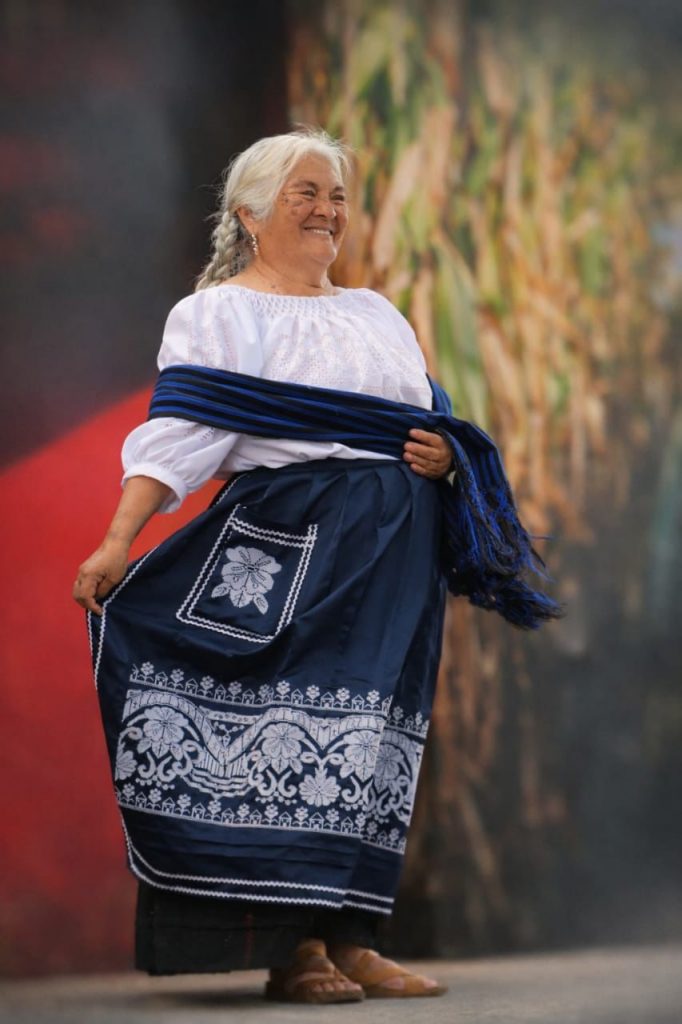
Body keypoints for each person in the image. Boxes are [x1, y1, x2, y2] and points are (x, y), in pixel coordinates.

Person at [73, 127, 555, 1004]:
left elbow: (422, 417)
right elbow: (182, 434)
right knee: (282, 724)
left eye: (336, 195)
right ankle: (293, 949)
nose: (328, 209)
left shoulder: (376, 313)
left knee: (372, 733)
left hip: (395, 553)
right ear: (251, 215)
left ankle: (353, 935)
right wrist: (117, 540)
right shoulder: (219, 313)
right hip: (290, 545)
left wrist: (446, 455)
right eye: (306, 192)